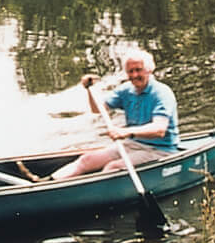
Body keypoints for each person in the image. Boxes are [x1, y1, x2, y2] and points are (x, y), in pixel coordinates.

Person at [49, 48, 180, 181]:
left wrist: (126, 132)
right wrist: (89, 89)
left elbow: (159, 130)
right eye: (130, 71)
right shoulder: (126, 90)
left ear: (149, 70)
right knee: (87, 159)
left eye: (138, 70)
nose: (134, 75)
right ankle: (47, 183)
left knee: (113, 167)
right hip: (133, 144)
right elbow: (97, 109)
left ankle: (95, 194)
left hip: (159, 149)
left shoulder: (162, 93)